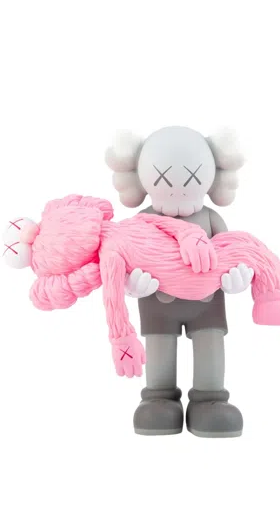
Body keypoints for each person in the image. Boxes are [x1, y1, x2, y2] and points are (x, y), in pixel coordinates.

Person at [105, 126, 253, 437]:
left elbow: (231, 250)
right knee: (159, 348)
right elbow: (124, 258)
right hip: (157, 303)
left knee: (211, 345)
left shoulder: (212, 219)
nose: (176, 188)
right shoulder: (142, 221)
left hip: (208, 303)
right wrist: (131, 285)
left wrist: (237, 279)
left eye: (191, 177)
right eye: (162, 178)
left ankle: (210, 398)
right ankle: (158, 397)